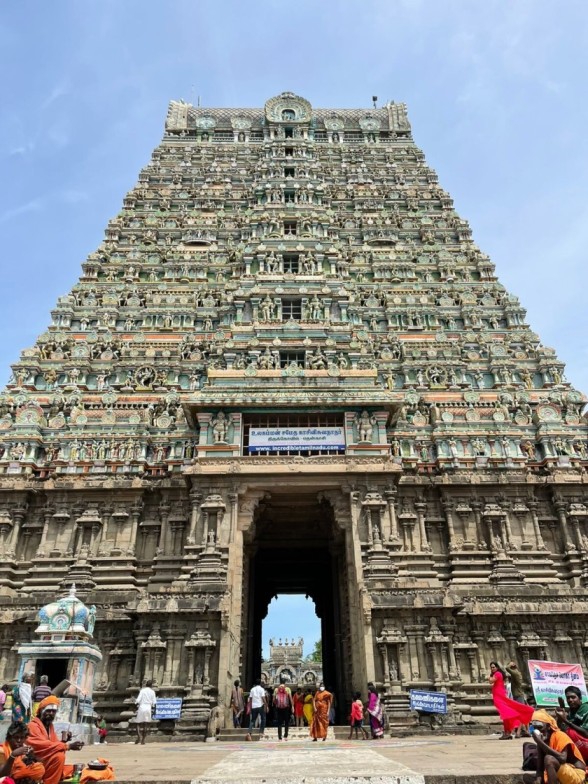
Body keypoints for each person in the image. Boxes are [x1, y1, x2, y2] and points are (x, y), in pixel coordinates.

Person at [27, 695, 83, 784]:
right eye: (49, 711)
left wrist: (64, 741)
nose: (51, 713)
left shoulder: (49, 726)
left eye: (54, 711)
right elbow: (42, 746)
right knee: (59, 757)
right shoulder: (32, 726)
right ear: (41, 711)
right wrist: (68, 746)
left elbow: (53, 745)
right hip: (34, 761)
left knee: (71, 768)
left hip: (45, 760)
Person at [526, 709, 586, 784]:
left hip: (576, 774)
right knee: (526, 778)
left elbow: (562, 758)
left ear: (548, 726)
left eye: (539, 727)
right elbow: (540, 769)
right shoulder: (542, 741)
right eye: (534, 728)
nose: (537, 731)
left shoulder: (559, 735)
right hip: (561, 774)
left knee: (549, 758)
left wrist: (540, 742)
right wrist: (538, 781)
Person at [555, 686, 588, 762]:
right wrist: (560, 717)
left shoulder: (586, 708)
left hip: (585, 743)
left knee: (570, 732)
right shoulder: (571, 711)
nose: (570, 700)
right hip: (578, 743)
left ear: (580, 698)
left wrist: (566, 721)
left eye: (573, 697)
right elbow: (561, 728)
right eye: (568, 698)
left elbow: (586, 733)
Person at [489, 661, 520, 739]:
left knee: (505, 714)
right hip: (499, 696)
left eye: (493, 667)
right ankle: (507, 732)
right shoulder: (498, 674)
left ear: (497, 667)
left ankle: (507, 732)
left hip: (499, 697)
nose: (492, 669)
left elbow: (491, 681)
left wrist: (488, 677)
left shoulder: (497, 674)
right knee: (505, 715)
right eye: (491, 667)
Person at [506, 661, 530, 738]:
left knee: (521, 715)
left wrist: (510, 664)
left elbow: (507, 668)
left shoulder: (515, 673)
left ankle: (519, 732)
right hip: (517, 696)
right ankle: (525, 731)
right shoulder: (516, 674)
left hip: (519, 696)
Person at [135, 680, 157, 745]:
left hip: (142, 707)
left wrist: (135, 703)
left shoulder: (142, 690)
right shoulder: (152, 692)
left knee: (138, 723)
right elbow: (154, 702)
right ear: (151, 685)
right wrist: (154, 710)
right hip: (148, 708)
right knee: (146, 724)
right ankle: (143, 740)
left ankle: (139, 736)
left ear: (146, 685)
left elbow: (138, 699)